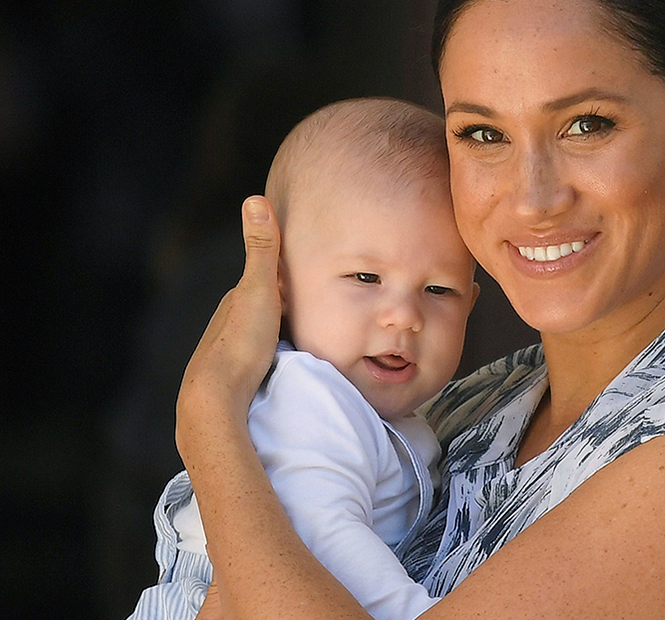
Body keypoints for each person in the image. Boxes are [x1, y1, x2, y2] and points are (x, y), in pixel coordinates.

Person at [170, 0, 665, 620]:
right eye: (483, 134)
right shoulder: (475, 404)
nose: (532, 198)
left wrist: (209, 415)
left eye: (586, 124)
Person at [129, 97, 478, 620]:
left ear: (472, 302)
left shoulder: (384, 414)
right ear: (281, 285)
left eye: (439, 289)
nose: (404, 316)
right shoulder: (309, 399)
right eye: (366, 278)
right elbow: (323, 539)